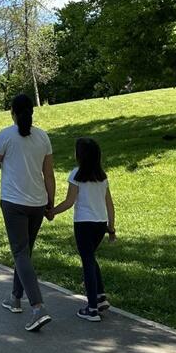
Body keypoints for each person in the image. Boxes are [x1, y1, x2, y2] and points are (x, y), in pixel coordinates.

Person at [0, 93, 56, 333]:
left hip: (13, 202)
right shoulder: (43, 137)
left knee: (20, 252)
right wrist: (50, 202)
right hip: (38, 203)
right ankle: (14, 298)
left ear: (13, 112)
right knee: (25, 253)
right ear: (31, 111)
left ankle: (38, 307)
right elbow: (49, 174)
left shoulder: (6, 135)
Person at [49, 137, 117, 322]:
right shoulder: (102, 177)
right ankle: (100, 297)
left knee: (87, 262)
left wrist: (52, 211)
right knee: (90, 258)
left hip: (83, 224)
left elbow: (70, 202)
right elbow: (109, 204)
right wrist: (111, 227)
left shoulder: (76, 174)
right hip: (100, 223)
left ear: (80, 156)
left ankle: (92, 308)